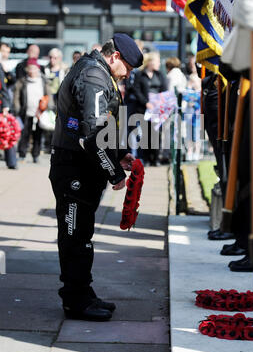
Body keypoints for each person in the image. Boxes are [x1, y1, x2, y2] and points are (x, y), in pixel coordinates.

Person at [49, 33, 143, 322]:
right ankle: (75, 301)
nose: (127, 75)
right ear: (115, 56)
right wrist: (113, 172)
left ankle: (83, 293)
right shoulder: (94, 76)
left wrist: (120, 154)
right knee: (75, 237)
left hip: (81, 167)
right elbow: (93, 133)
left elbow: (103, 124)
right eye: (127, 68)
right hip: (74, 168)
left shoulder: (97, 71)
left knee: (83, 236)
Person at [13, 60, 53, 163]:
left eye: (34, 68)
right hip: (26, 112)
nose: (32, 71)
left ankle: (36, 155)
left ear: (38, 69)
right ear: (27, 70)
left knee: (38, 135)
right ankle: (22, 154)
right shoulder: (22, 81)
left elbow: (49, 95)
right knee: (25, 134)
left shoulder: (43, 81)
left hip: (40, 112)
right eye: (30, 68)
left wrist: (49, 108)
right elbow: (16, 96)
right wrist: (17, 109)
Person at [133, 51, 168, 166]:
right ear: (150, 62)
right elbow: (137, 90)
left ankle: (156, 158)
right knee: (145, 134)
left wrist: (158, 103)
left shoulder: (160, 75)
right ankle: (146, 159)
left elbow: (164, 90)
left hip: (157, 109)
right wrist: (146, 102)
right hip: (144, 109)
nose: (159, 64)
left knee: (156, 133)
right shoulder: (140, 75)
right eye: (157, 61)